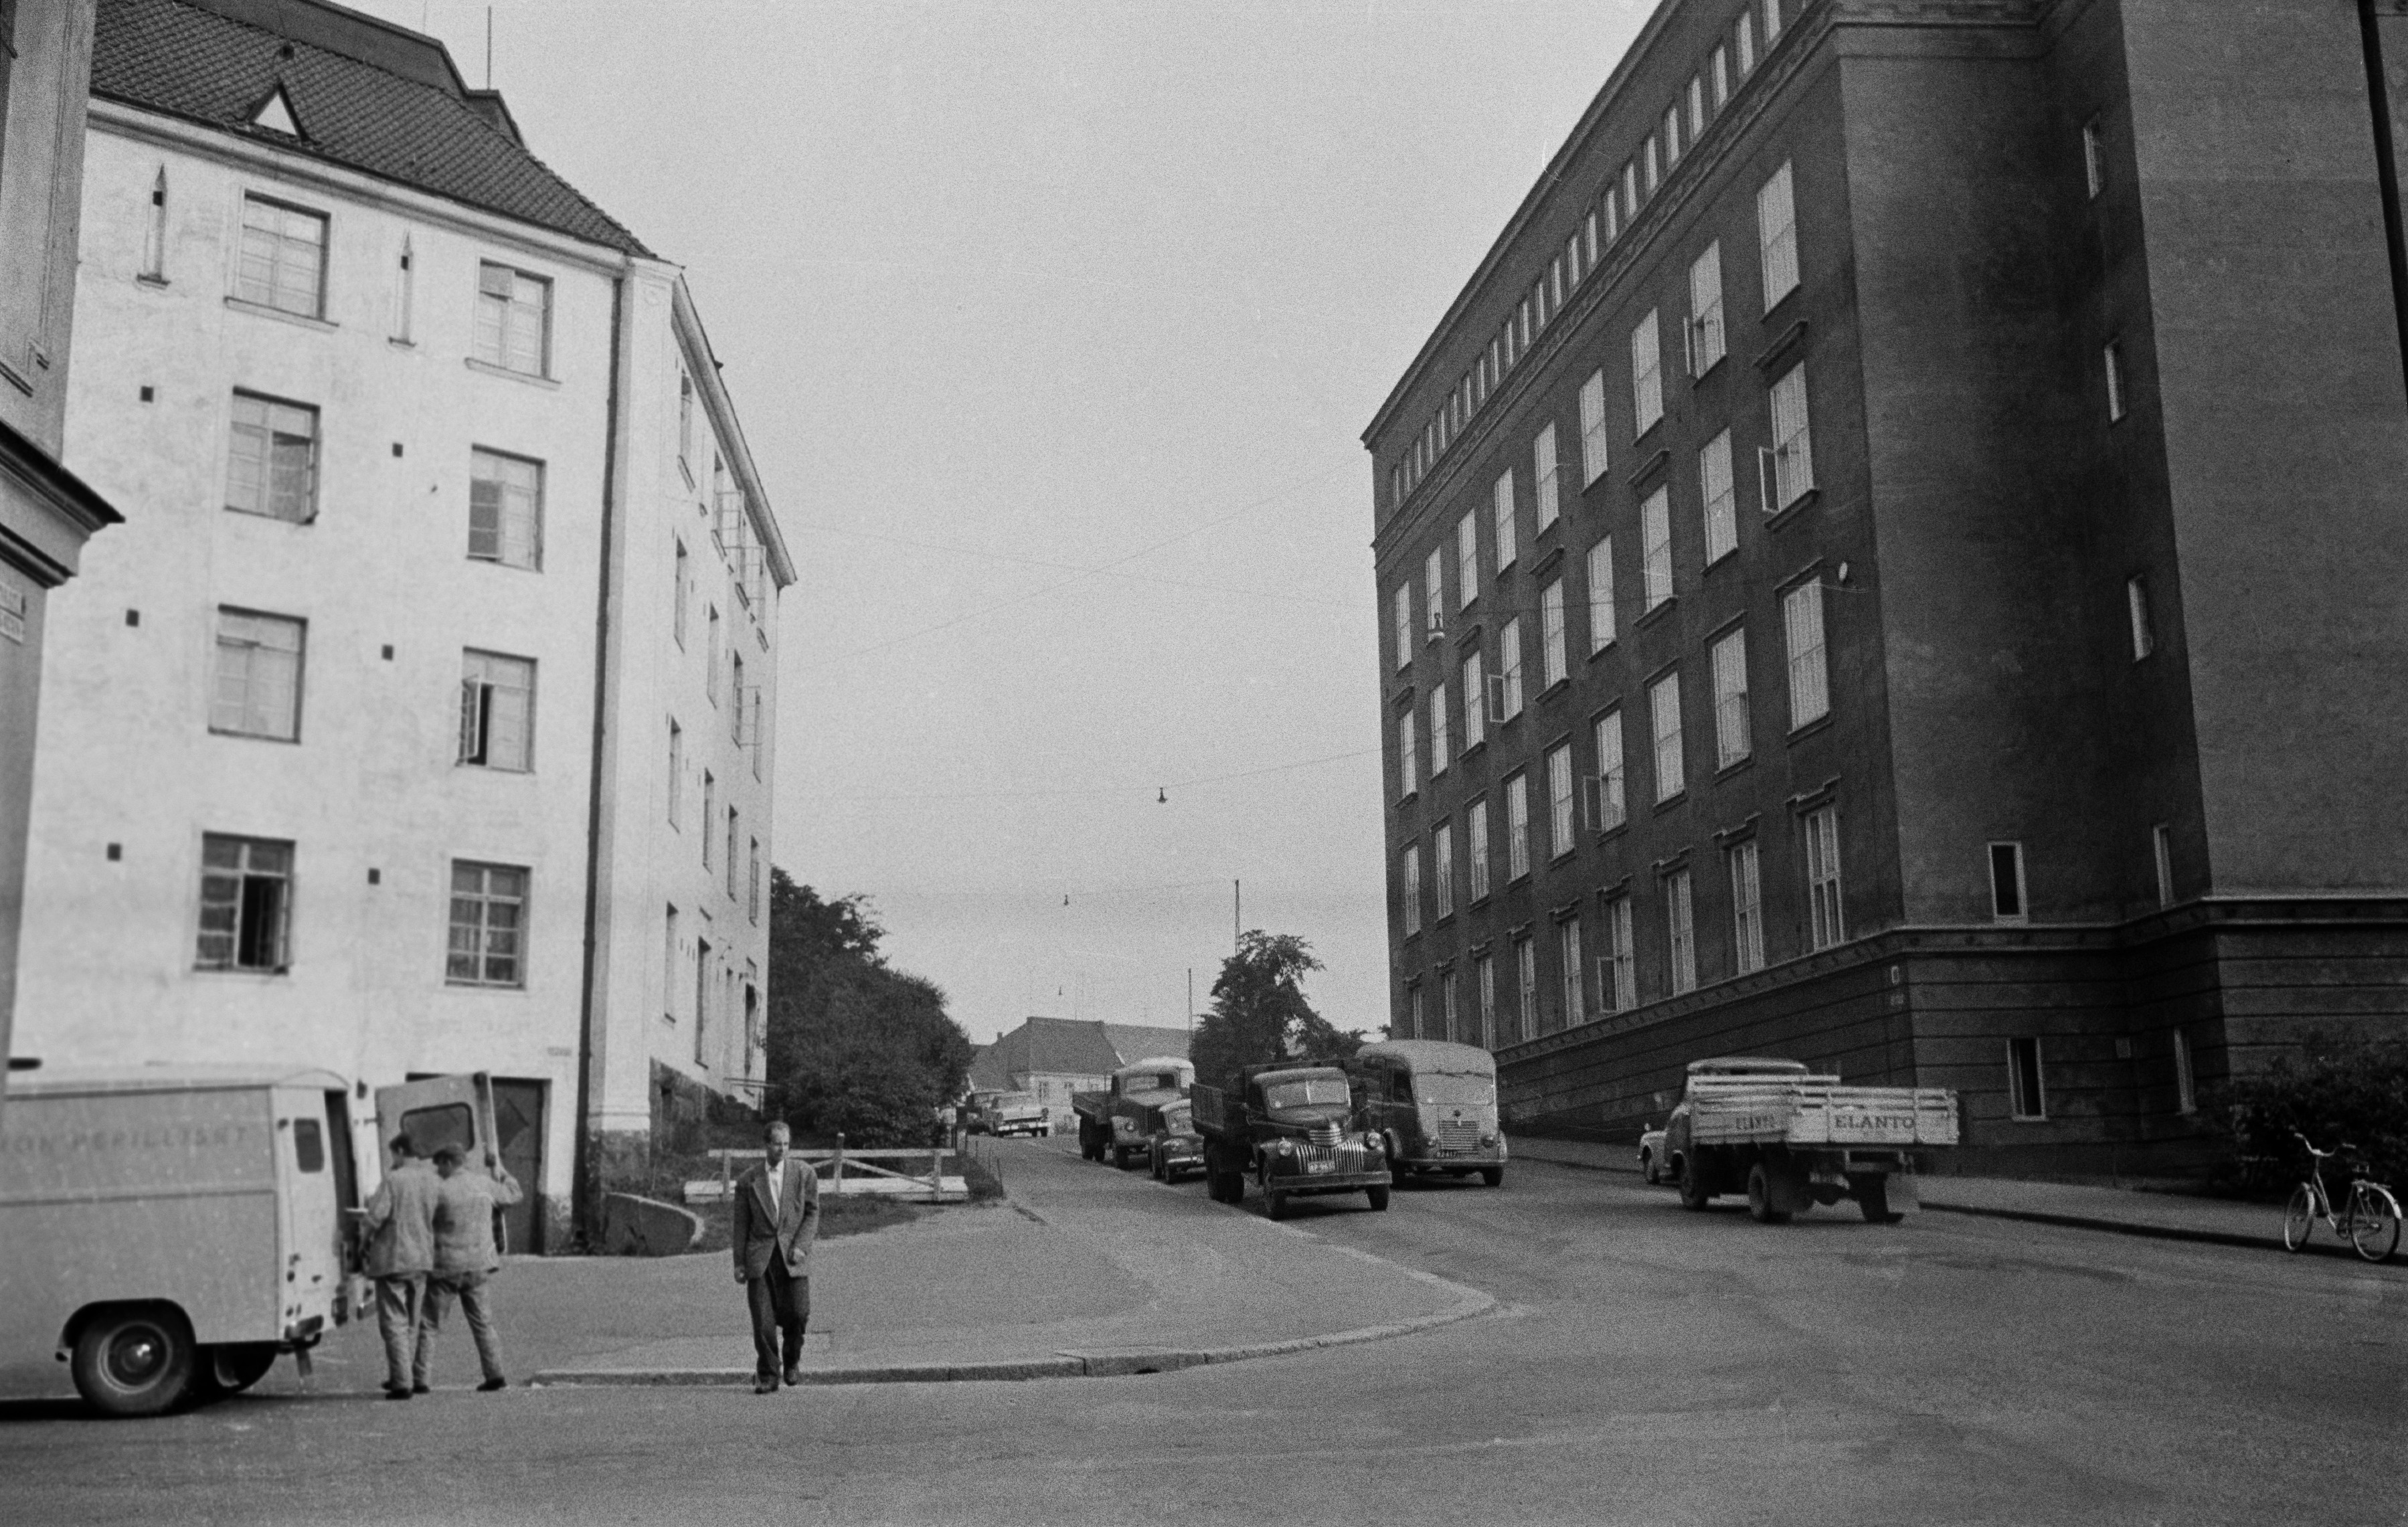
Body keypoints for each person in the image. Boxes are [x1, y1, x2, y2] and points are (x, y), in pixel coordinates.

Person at [415, 1146, 523, 1393]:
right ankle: (495, 1376)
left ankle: (420, 1380)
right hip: (478, 1267)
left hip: (445, 1268)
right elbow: (515, 1194)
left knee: (430, 1325)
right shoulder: (484, 1184)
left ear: (448, 1163)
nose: (438, 1170)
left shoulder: (439, 1190)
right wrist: (502, 1170)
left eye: (439, 1165)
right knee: (483, 1324)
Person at [732, 1119, 819, 1394]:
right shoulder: (748, 1180)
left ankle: (792, 1361)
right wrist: (739, 1263)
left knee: (799, 1313)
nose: (782, 1149)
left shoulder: (804, 1174)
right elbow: (741, 1225)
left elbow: (812, 1212)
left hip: (793, 1256)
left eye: (786, 1144)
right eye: (777, 1144)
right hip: (760, 1257)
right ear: (766, 1145)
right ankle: (768, 1374)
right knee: (763, 1321)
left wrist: (802, 1246)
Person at [359, 1136, 441, 1400]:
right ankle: (402, 1374)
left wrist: (363, 1241)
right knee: (409, 1320)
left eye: (393, 1154)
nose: (392, 1159)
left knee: (393, 1321)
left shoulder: (394, 1180)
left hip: (394, 1258)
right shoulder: (432, 1179)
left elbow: (377, 1216)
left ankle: (402, 1382)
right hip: (422, 1259)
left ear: (401, 1151)